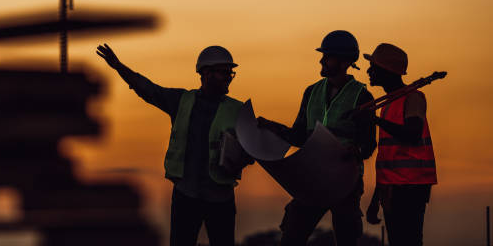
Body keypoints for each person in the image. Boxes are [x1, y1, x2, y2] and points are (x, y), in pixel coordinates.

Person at [96, 43, 252, 246]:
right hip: (187, 196)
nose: (227, 77)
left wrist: (240, 158)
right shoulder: (181, 101)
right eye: (223, 72)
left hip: (220, 198)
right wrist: (118, 66)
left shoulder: (239, 111)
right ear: (205, 73)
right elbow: (148, 89)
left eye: (230, 73)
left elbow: (254, 150)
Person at [257, 30, 376, 246]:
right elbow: (300, 136)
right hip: (313, 178)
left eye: (327, 56)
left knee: (346, 238)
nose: (321, 60)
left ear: (344, 62)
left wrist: (355, 150)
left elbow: (369, 145)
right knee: (292, 236)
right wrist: (271, 127)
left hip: (345, 182)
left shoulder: (362, 97)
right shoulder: (311, 92)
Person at [363, 43, 437, 246]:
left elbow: (412, 134)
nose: (369, 71)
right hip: (393, 187)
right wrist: (376, 199)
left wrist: (375, 120)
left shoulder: (413, 98)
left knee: (408, 241)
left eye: (374, 67)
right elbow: (388, 158)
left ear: (387, 71)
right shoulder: (389, 104)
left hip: (411, 187)